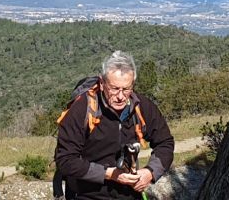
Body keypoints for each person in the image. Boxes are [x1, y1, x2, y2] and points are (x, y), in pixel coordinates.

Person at [53, 51, 176, 199]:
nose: (120, 96)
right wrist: (109, 174)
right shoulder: (82, 110)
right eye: (114, 88)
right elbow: (65, 160)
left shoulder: (142, 107)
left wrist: (150, 172)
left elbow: (165, 142)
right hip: (86, 193)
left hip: (128, 193)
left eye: (126, 89)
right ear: (102, 83)